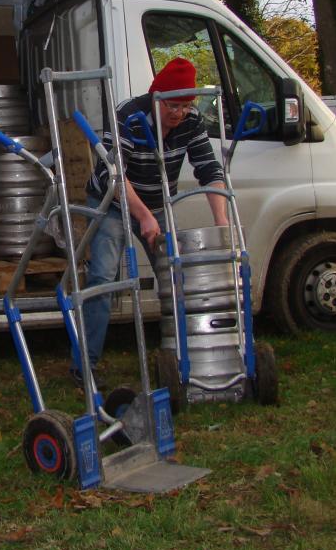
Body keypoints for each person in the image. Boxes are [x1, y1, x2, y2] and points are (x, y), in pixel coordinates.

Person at [73, 57, 228, 389]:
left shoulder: (192, 121)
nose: (179, 114)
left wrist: (222, 222)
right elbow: (114, 176)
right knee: (103, 276)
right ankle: (85, 366)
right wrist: (142, 216)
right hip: (111, 203)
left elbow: (209, 170)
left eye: (187, 106)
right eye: (173, 105)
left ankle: (177, 356)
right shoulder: (127, 116)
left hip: (158, 204)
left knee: (172, 274)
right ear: (157, 96)